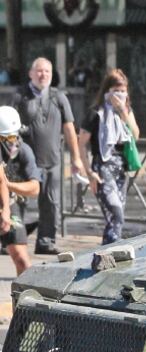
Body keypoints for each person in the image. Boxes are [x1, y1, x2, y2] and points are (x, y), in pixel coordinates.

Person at [12, 57, 85, 255]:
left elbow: (69, 128)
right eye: (39, 71)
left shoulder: (59, 97)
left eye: (47, 71)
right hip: (24, 162)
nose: (43, 75)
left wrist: (76, 158)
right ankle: (12, 239)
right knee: (18, 201)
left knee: (51, 203)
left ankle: (46, 242)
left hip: (52, 160)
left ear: (52, 75)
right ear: (31, 73)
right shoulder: (20, 96)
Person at [77, 69, 140, 245]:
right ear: (107, 91)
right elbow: (81, 143)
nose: (120, 94)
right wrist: (89, 172)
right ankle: (111, 250)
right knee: (116, 213)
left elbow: (135, 135)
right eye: (116, 90)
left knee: (116, 219)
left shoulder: (126, 111)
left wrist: (123, 112)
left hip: (121, 168)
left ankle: (108, 252)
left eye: (123, 90)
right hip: (102, 168)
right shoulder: (96, 112)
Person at [0, 107, 41, 275]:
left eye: (13, 136)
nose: (11, 142)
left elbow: (35, 189)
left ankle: (23, 291)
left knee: (22, 261)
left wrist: (10, 186)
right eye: (5, 138)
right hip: (5, 205)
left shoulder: (24, 151)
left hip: (9, 204)